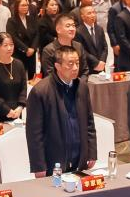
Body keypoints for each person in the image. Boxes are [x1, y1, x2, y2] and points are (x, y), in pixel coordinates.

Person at [25, 44, 97, 175]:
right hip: (53, 162)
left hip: (79, 159)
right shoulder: (40, 91)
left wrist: (91, 152)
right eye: (70, 64)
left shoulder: (82, 87)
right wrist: (39, 166)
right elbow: (34, 134)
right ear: (57, 66)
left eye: (77, 63)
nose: (75, 68)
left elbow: (89, 122)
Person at [0, 32, 27, 122]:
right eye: (5, 45)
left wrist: (20, 107)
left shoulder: (19, 64)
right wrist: (7, 110)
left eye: (11, 45)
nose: (9, 48)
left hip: (16, 113)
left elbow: (23, 88)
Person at [39, 14, 91, 79]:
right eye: (68, 26)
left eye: (73, 26)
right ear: (58, 29)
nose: (72, 29)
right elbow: (50, 75)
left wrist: (79, 83)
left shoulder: (78, 46)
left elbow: (85, 71)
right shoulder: (49, 50)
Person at [72, 3, 108, 74]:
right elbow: (81, 50)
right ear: (82, 17)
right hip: (88, 66)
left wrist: (102, 61)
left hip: (101, 66)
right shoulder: (78, 31)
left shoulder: (99, 29)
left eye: (94, 12)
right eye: (89, 13)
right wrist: (96, 62)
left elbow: (105, 47)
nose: (93, 15)